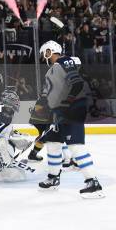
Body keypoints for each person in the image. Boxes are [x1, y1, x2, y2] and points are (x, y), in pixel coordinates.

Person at [37, 41, 104, 198]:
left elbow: (77, 83)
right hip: (59, 113)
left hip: (72, 111)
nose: (43, 56)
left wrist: (67, 103)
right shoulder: (52, 70)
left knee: (75, 146)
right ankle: (53, 179)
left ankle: (93, 183)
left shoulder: (64, 61)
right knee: (53, 144)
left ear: (51, 50)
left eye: (45, 52)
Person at [0, 87, 31, 182]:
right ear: (8, 100)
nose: (17, 102)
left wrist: (19, 138)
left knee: (9, 145)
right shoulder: (0, 112)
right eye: (14, 100)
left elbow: (5, 133)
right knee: (8, 145)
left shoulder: (6, 113)